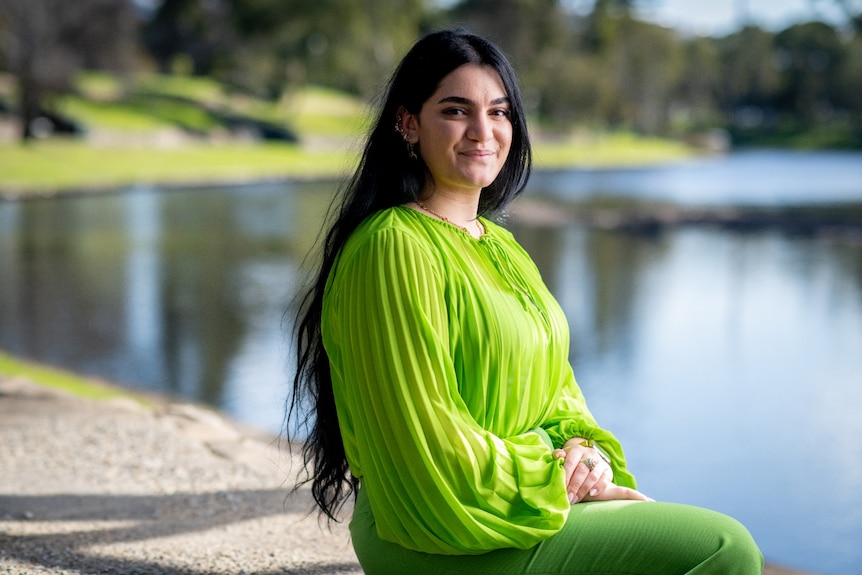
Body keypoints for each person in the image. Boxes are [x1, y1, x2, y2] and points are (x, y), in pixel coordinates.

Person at [289, 29, 763, 574]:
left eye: (499, 112)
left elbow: (559, 397)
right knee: (725, 550)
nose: (482, 132)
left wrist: (586, 455)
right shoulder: (393, 246)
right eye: (455, 110)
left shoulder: (502, 247)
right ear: (408, 123)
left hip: (522, 501)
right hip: (433, 527)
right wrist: (554, 479)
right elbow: (428, 442)